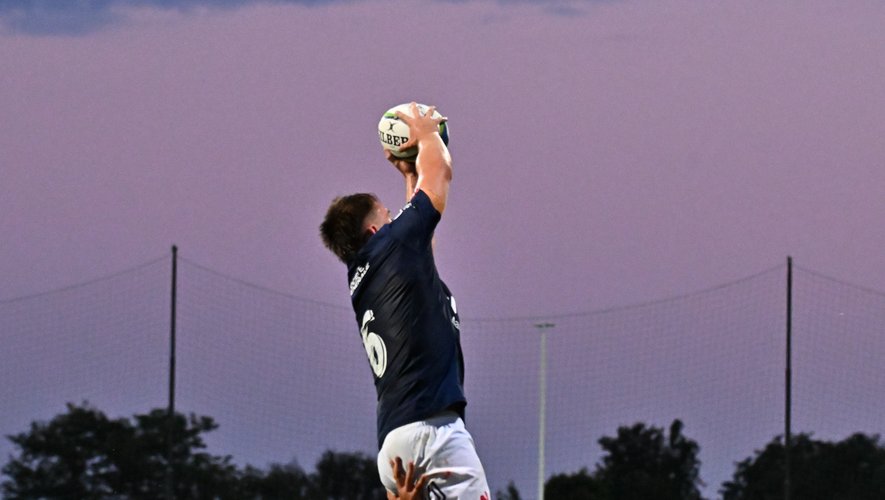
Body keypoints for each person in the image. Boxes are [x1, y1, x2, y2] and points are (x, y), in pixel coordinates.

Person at [320, 102, 489, 499]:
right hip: (432, 430)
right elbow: (440, 174)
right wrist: (426, 134)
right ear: (375, 231)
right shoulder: (394, 244)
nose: (397, 217)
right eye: (388, 215)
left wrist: (411, 173)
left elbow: (420, 244)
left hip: (397, 440)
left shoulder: (367, 273)